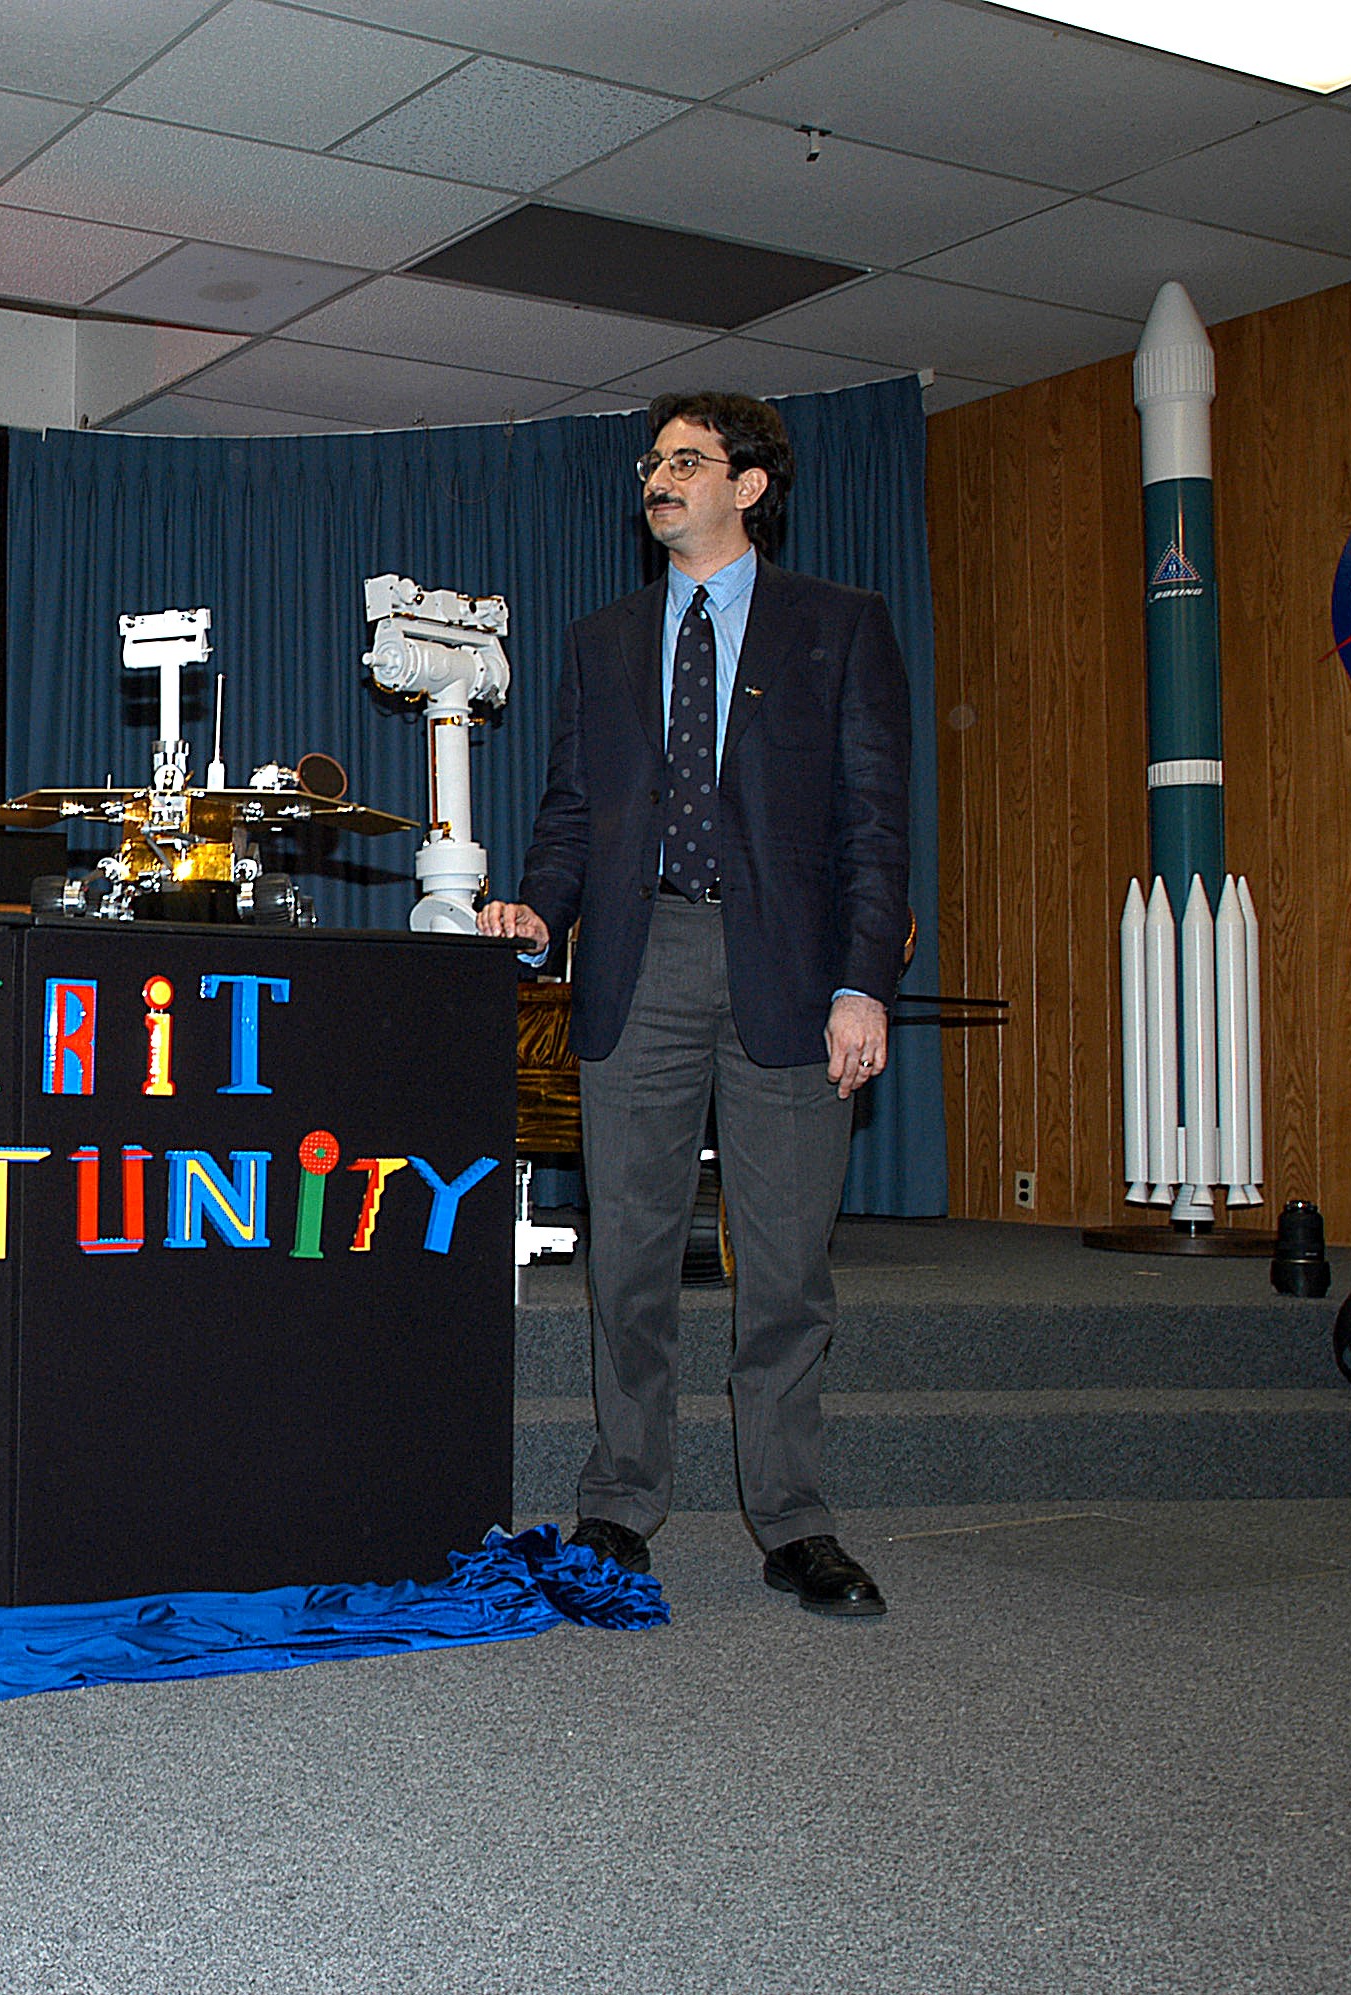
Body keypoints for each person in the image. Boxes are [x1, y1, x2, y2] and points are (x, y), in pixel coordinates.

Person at [478, 391, 910, 1616]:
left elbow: (878, 831)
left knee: (783, 1273)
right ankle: (620, 1506)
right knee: (628, 1258)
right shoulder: (604, 640)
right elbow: (571, 812)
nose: (657, 478)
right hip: (639, 965)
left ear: (750, 486)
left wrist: (861, 984)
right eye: (651, 460)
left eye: (686, 460)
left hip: (789, 971)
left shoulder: (839, 628)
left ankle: (793, 1523)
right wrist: (536, 910)